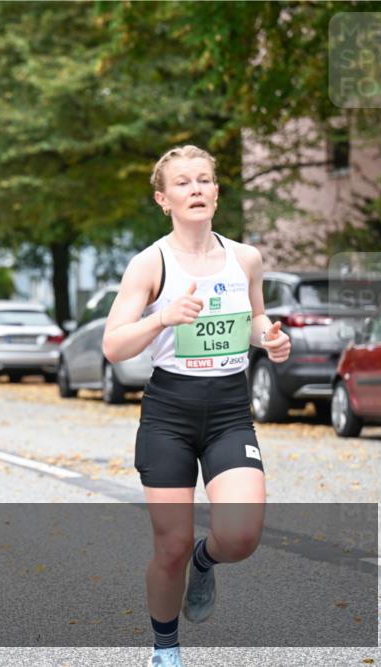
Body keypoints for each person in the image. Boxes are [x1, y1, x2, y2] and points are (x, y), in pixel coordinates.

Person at [101, 145, 292, 667]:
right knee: (171, 547)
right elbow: (113, 345)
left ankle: (205, 562)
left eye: (204, 180)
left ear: (216, 192)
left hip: (229, 409)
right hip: (170, 413)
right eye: (183, 183)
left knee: (242, 535)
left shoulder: (245, 258)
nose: (196, 189)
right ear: (163, 199)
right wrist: (163, 318)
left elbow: (255, 318)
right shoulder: (150, 263)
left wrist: (270, 338)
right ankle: (165, 649)